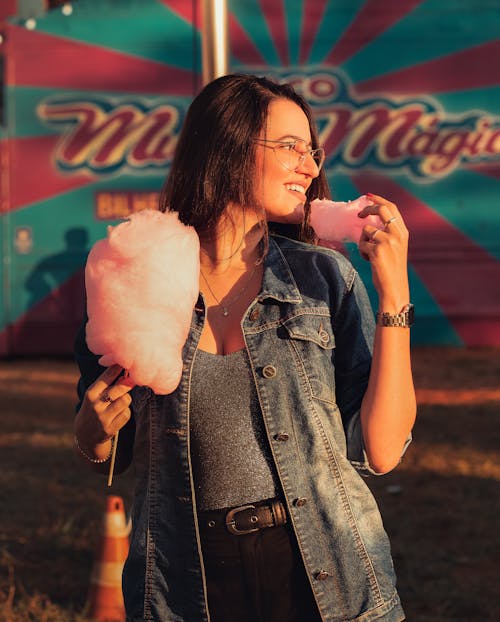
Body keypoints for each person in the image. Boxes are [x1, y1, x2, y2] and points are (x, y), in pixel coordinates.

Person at [74, 74, 416, 622]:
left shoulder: (323, 278)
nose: (310, 166)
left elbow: (381, 450)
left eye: (313, 150)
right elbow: (110, 450)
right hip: (189, 582)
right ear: (226, 146)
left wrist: (394, 290)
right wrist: (92, 433)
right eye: (290, 147)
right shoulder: (136, 275)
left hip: (323, 571)